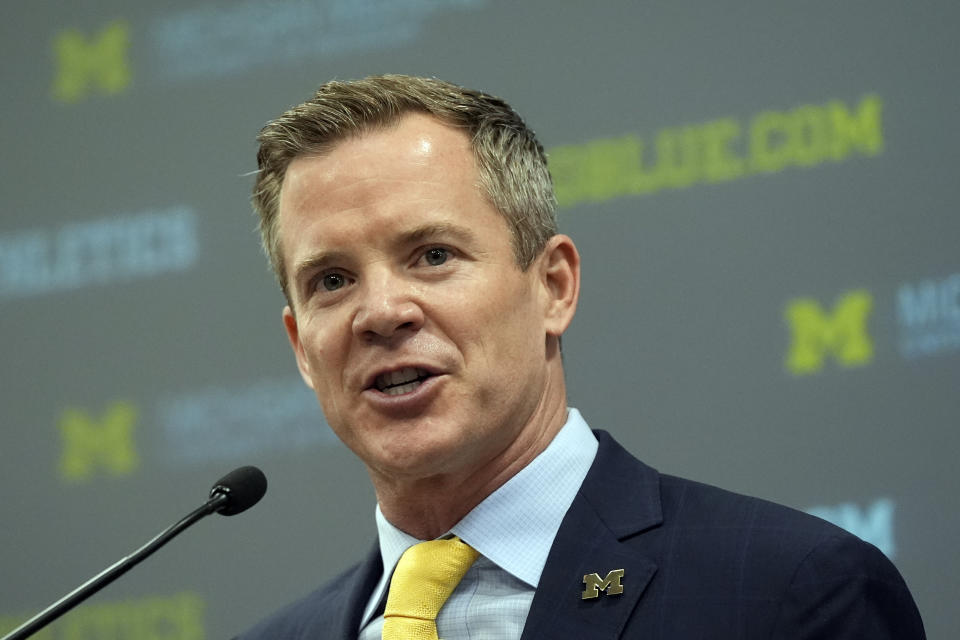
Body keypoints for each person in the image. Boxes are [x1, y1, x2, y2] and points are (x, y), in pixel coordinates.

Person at [235, 75, 925, 639]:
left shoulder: (789, 592)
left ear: (552, 287)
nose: (382, 312)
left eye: (433, 256)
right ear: (301, 347)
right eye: (332, 280)